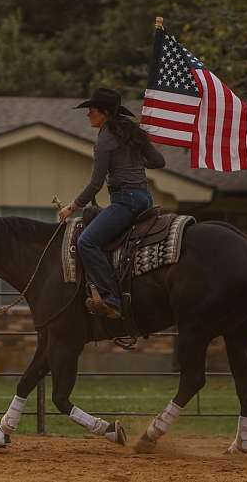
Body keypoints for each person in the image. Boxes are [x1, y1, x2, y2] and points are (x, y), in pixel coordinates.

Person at [58, 88, 165, 319]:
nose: (88, 114)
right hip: (144, 198)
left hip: (125, 201)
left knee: (87, 241)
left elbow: (96, 183)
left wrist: (72, 207)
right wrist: (134, 164)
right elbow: (159, 161)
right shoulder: (133, 133)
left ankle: (112, 299)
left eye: (92, 110)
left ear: (104, 113)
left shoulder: (105, 140)